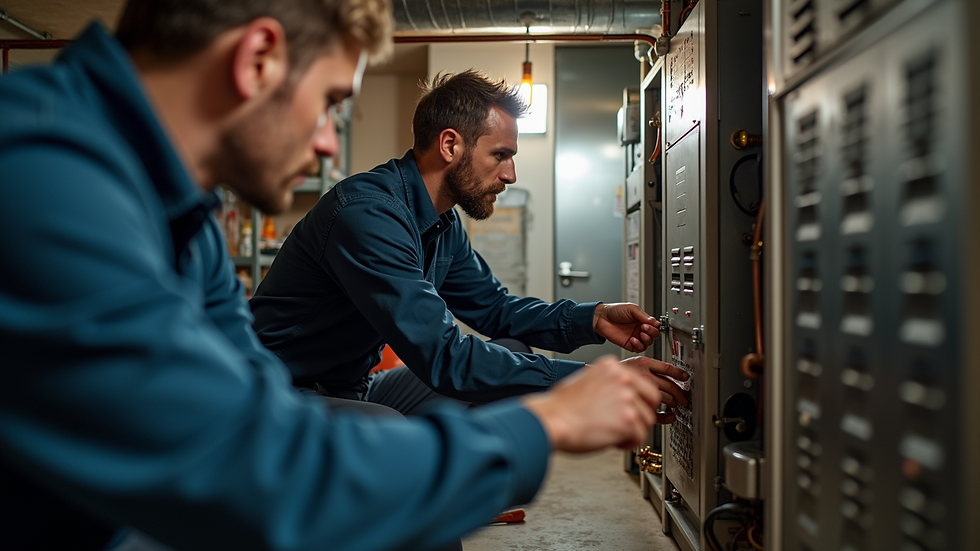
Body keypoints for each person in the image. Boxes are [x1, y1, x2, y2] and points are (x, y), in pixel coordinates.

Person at [0, 1, 689, 551]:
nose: (330, 140)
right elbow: (263, 460)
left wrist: (588, 321)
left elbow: (493, 309)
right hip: (279, 405)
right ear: (257, 60)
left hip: (323, 386)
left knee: (480, 375)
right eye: (331, 100)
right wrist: (551, 417)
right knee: (390, 441)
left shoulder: (188, 215)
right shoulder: (41, 171)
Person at [250, 70, 686, 415]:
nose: (511, 175)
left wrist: (591, 319)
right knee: (387, 429)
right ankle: (420, 495)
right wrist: (596, 381)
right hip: (281, 396)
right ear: (450, 145)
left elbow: (495, 310)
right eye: (500, 155)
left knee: (511, 354)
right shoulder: (368, 214)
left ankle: (432, 486)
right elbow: (443, 357)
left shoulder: (442, 224)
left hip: (351, 387)